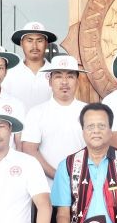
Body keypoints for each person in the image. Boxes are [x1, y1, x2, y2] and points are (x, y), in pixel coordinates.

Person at [22, 55, 88, 187]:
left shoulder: (88, 112)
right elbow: (29, 149)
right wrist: (57, 175)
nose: (64, 82)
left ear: (77, 81)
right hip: (47, 187)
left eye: (70, 76)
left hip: (83, 185)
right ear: (50, 81)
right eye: (58, 76)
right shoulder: (37, 112)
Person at [3, 21, 56, 109]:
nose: (34, 46)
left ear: (46, 44)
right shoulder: (9, 74)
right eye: (29, 40)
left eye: (39, 41)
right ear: (21, 43)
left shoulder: (56, 73)